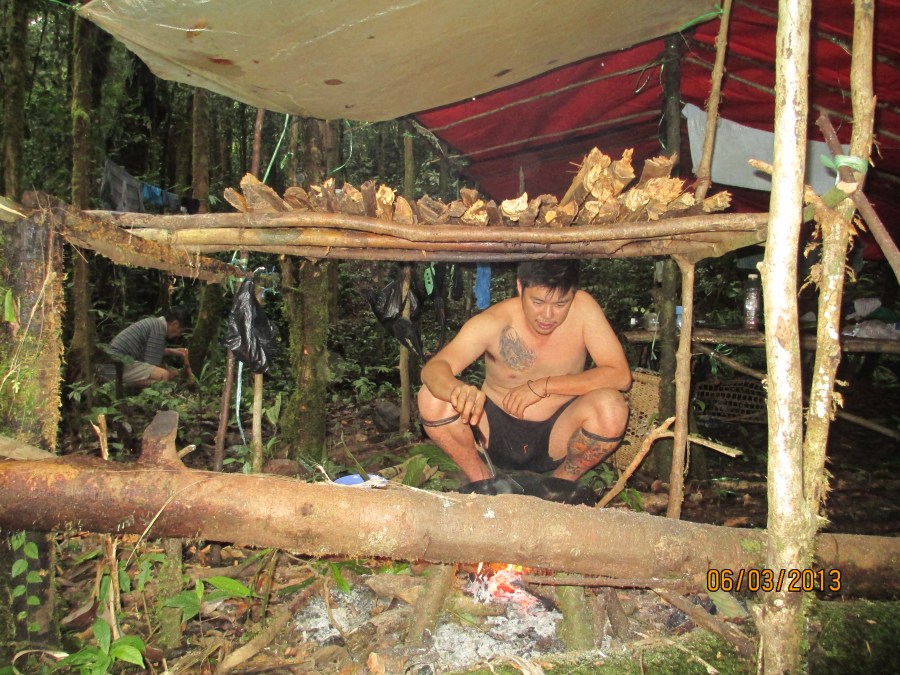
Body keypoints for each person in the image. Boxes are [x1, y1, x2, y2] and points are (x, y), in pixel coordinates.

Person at [418, 260, 631, 485]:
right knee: (432, 396)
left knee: (611, 406)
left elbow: (620, 376)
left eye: (561, 303)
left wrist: (544, 386)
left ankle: (559, 485)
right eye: (538, 301)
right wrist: (457, 390)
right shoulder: (494, 322)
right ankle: (482, 481)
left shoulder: (584, 310)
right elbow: (433, 369)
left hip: (558, 431)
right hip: (493, 433)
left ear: (573, 294)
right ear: (520, 287)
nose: (548, 315)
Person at [99, 308, 193, 388]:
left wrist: (170, 351)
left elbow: (146, 351)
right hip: (114, 368)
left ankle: (119, 385)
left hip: (113, 365)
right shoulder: (159, 329)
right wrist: (170, 372)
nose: (178, 335)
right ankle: (120, 386)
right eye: (179, 331)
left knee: (165, 373)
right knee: (163, 375)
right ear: (175, 324)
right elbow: (152, 364)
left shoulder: (155, 323)